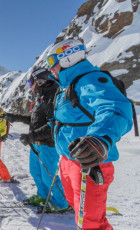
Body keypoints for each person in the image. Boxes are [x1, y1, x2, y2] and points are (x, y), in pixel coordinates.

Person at [46, 39, 133, 229]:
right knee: (77, 209)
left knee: (90, 223)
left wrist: (99, 139)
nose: (50, 68)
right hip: (69, 160)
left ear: (67, 58)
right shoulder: (66, 87)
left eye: (52, 62)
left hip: (90, 161)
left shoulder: (89, 79)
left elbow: (115, 108)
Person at [6, 68, 69, 212]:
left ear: (40, 80)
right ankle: (43, 196)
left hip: (47, 144)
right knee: (35, 172)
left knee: (49, 176)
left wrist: (31, 136)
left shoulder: (53, 97)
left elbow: (53, 125)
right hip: (36, 143)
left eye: (30, 82)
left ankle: (61, 203)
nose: (30, 86)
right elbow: (34, 120)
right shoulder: (41, 97)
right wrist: (15, 117)